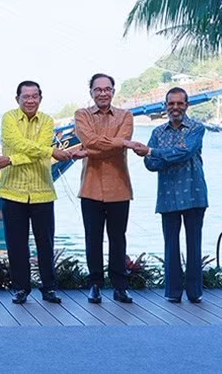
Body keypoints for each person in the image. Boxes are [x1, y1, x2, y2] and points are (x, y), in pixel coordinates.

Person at [0, 80, 71, 305]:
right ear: (17, 99)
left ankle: (49, 289)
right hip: (12, 191)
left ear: (40, 98)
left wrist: (11, 159)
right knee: (16, 244)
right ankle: (20, 288)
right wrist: (50, 151)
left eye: (35, 96)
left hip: (42, 191)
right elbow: (16, 143)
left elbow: (36, 153)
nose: (30, 100)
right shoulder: (8, 118)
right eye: (26, 96)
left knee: (45, 243)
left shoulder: (47, 121)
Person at [132, 87, 208, 304]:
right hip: (167, 196)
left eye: (180, 103)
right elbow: (149, 164)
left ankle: (195, 293)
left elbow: (186, 151)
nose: (175, 107)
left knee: (194, 244)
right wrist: (164, 155)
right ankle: (173, 293)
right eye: (171, 103)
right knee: (170, 244)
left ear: (187, 105)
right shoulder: (157, 132)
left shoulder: (197, 128)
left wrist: (156, 153)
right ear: (165, 106)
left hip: (194, 194)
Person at [72, 73, 134, 304]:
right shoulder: (82, 115)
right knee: (93, 238)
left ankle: (120, 287)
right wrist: (119, 143)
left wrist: (96, 147)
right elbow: (88, 140)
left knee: (118, 239)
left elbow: (102, 145)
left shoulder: (126, 116)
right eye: (98, 90)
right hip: (91, 187)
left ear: (113, 91)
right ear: (91, 93)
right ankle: (95, 285)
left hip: (119, 186)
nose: (103, 93)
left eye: (107, 89)